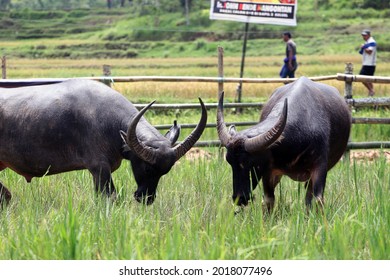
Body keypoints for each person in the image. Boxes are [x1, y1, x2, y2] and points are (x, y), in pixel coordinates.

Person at [359, 29, 377, 96]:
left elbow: (369, 52)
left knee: (361, 77)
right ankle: (371, 93)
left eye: (365, 35)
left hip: (369, 64)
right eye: (363, 35)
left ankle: (371, 90)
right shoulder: (368, 42)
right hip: (367, 63)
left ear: (369, 35)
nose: (364, 37)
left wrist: (363, 47)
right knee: (369, 79)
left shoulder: (372, 42)